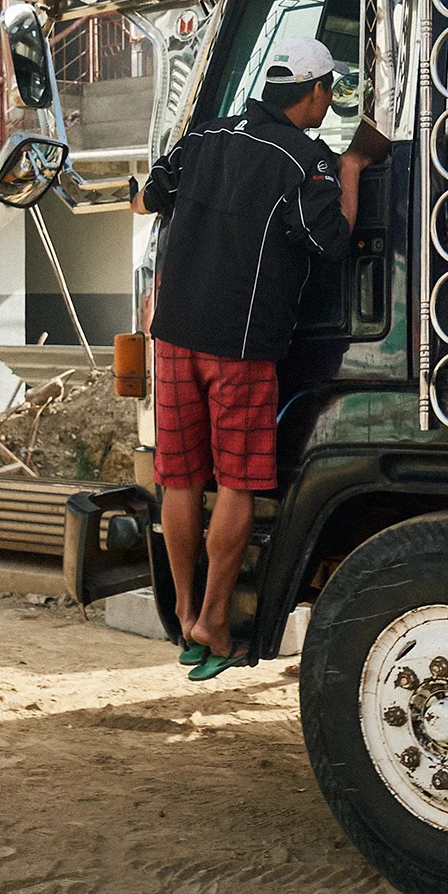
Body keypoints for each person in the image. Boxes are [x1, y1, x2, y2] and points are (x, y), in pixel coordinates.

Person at [137, 35, 365, 680]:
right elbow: (334, 243)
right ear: (315, 91)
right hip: (241, 350)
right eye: (329, 92)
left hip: (175, 339)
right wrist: (350, 169)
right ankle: (214, 619)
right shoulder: (305, 161)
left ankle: (185, 615)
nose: (328, 103)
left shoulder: (203, 136)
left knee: (177, 478)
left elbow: (147, 198)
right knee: (237, 483)